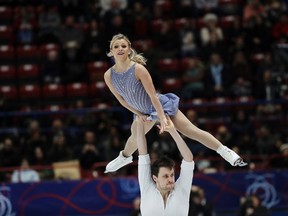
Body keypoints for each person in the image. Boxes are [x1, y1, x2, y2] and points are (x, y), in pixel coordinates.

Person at [104, 33, 247, 173]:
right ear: (111, 51)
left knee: (191, 131)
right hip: (141, 112)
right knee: (134, 138)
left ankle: (225, 151)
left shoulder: (139, 69)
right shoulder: (108, 75)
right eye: (116, 46)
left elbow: (153, 96)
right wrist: (138, 114)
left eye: (124, 45)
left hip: (159, 106)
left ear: (129, 49)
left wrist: (161, 117)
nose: (120, 48)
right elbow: (121, 100)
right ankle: (124, 157)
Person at [136, 115, 194, 216]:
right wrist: (140, 124)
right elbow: (142, 154)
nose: (171, 179)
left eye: (171, 175)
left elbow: (188, 159)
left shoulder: (181, 189)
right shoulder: (147, 188)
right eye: (165, 176)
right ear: (155, 178)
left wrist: (173, 131)